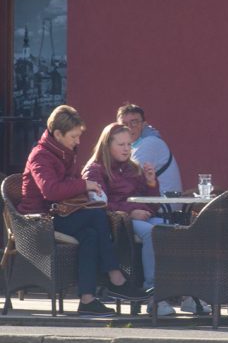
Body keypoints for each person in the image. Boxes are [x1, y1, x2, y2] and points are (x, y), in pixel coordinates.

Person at [18, 105, 150, 316]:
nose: (78, 141)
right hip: (38, 221)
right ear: (58, 134)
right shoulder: (40, 156)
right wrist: (84, 185)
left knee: (90, 235)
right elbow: (50, 190)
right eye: (74, 136)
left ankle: (87, 300)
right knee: (97, 216)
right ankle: (115, 277)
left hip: (59, 214)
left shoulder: (64, 152)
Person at [82, 123, 175, 316]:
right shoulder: (95, 169)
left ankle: (181, 292)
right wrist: (131, 212)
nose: (126, 149)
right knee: (152, 233)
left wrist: (151, 183)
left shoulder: (133, 168)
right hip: (115, 222)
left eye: (129, 144)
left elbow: (152, 206)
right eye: (121, 144)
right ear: (107, 145)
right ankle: (153, 294)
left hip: (139, 216)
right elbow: (99, 205)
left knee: (171, 230)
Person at [116, 104, 182, 195]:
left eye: (134, 122)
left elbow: (129, 179)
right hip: (150, 199)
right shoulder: (133, 145)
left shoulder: (149, 143)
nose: (129, 127)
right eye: (124, 124)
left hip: (163, 202)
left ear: (144, 124)